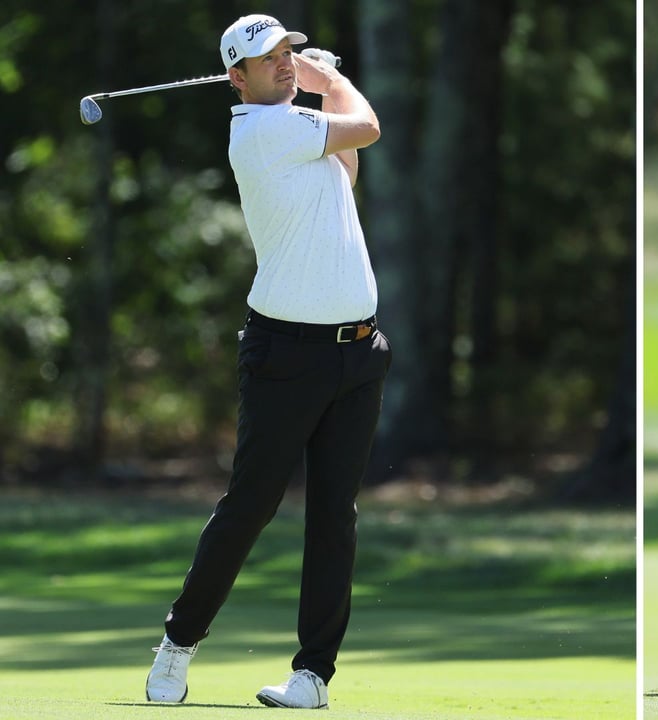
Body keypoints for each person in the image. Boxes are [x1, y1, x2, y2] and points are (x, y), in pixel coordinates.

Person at [144, 13, 390, 709]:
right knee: (250, 506)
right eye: (269, 57)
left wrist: (314, 86)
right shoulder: (261, 132)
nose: (284, 63)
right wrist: (331, 77)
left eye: (289, 52)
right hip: (287, 354)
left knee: (333, 517)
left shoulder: (299, 130)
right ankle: (178, 645)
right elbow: (367, 127)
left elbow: (349, 164)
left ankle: (312, 676)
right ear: (237, 77)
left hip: (358, 351)